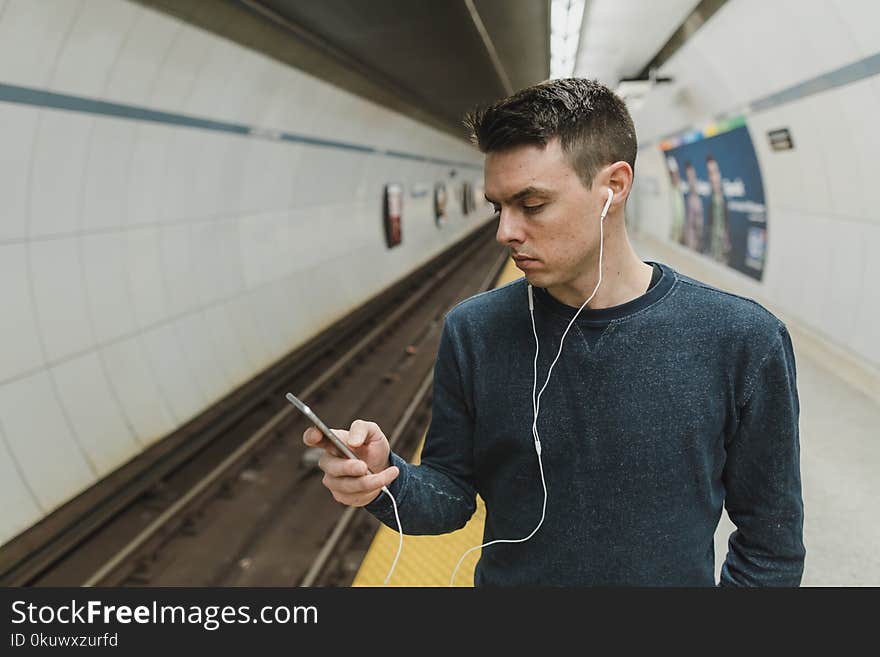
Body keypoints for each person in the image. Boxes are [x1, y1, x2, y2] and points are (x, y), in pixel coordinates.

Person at [303, 78, 805, 587]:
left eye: (533, 204)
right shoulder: (475, 331)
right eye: (499, 207)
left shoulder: (740, 339)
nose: (505, 232)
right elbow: (451, 499)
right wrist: (383, 478)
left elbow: (771, 545)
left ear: (614, 186)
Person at [706, 154, 732, 264]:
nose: (713, 178)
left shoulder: (726, 200)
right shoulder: (709, 201)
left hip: (724, 254)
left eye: (715, 172)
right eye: (710, 174)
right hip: (713, 253)